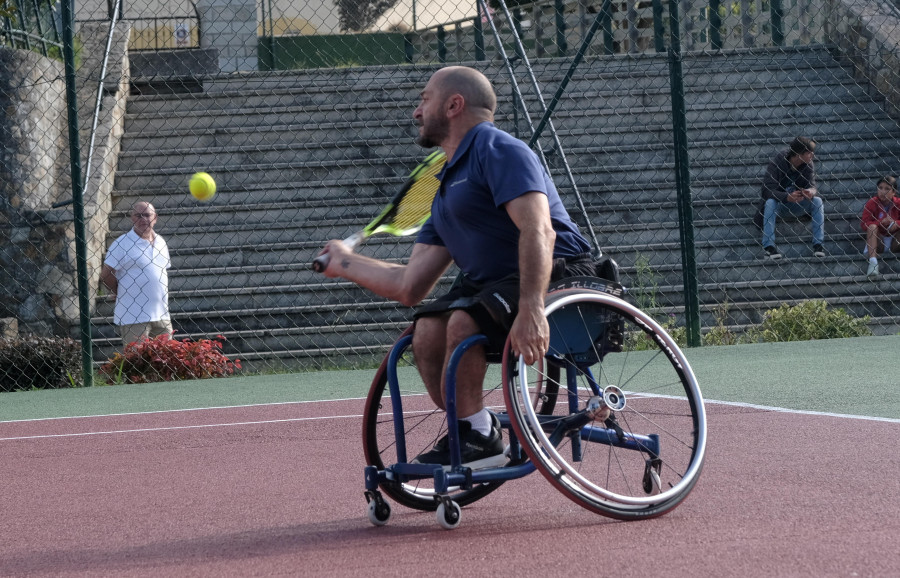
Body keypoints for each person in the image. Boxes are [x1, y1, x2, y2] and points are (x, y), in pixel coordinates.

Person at [316, 66, 595, 468]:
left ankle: (477, 438)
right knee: (427, 328)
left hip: (560, 274)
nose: (416, 111)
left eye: (424, 99)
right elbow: (410, 286)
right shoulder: (445, 190)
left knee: (465, 319)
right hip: (493, 287)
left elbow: (539, 230)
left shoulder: (499, 149)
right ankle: (476, 429)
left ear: (453, 105)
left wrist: (532, 307)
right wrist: (346, 262)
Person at [100, 201, 173, 345]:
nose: (143, 219)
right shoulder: (122, 243)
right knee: (137, 363)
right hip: (133, 316)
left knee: (167, 363)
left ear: (155, 218)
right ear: (132, 218)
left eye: (147, 215)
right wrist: (118, 291)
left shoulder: (161, 242)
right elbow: (106, 274)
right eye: (138, 215)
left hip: (161, 314)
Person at [756, 136, 826, 259]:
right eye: (809, 153)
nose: (812, 156)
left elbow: (813, 185)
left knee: (817, 201)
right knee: (770, 202)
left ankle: (818, 245)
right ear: (799, 154)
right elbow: (766, 190)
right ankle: (769, 248)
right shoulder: (778, 162)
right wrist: (786, 197)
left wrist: (810, 191)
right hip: (780, 204)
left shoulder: (808, 164)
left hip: (798, 203)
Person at [860, 175, 900, 278]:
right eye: (880, 188)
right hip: (879, 240)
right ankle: (873, 263)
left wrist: (896, 223)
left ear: (894, 192)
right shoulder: (872, 202)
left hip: (895, 239)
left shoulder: (898, 203)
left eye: (887, 189)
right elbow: (864, 224)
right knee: (872, 227)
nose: (883, 191)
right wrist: (880, 223)